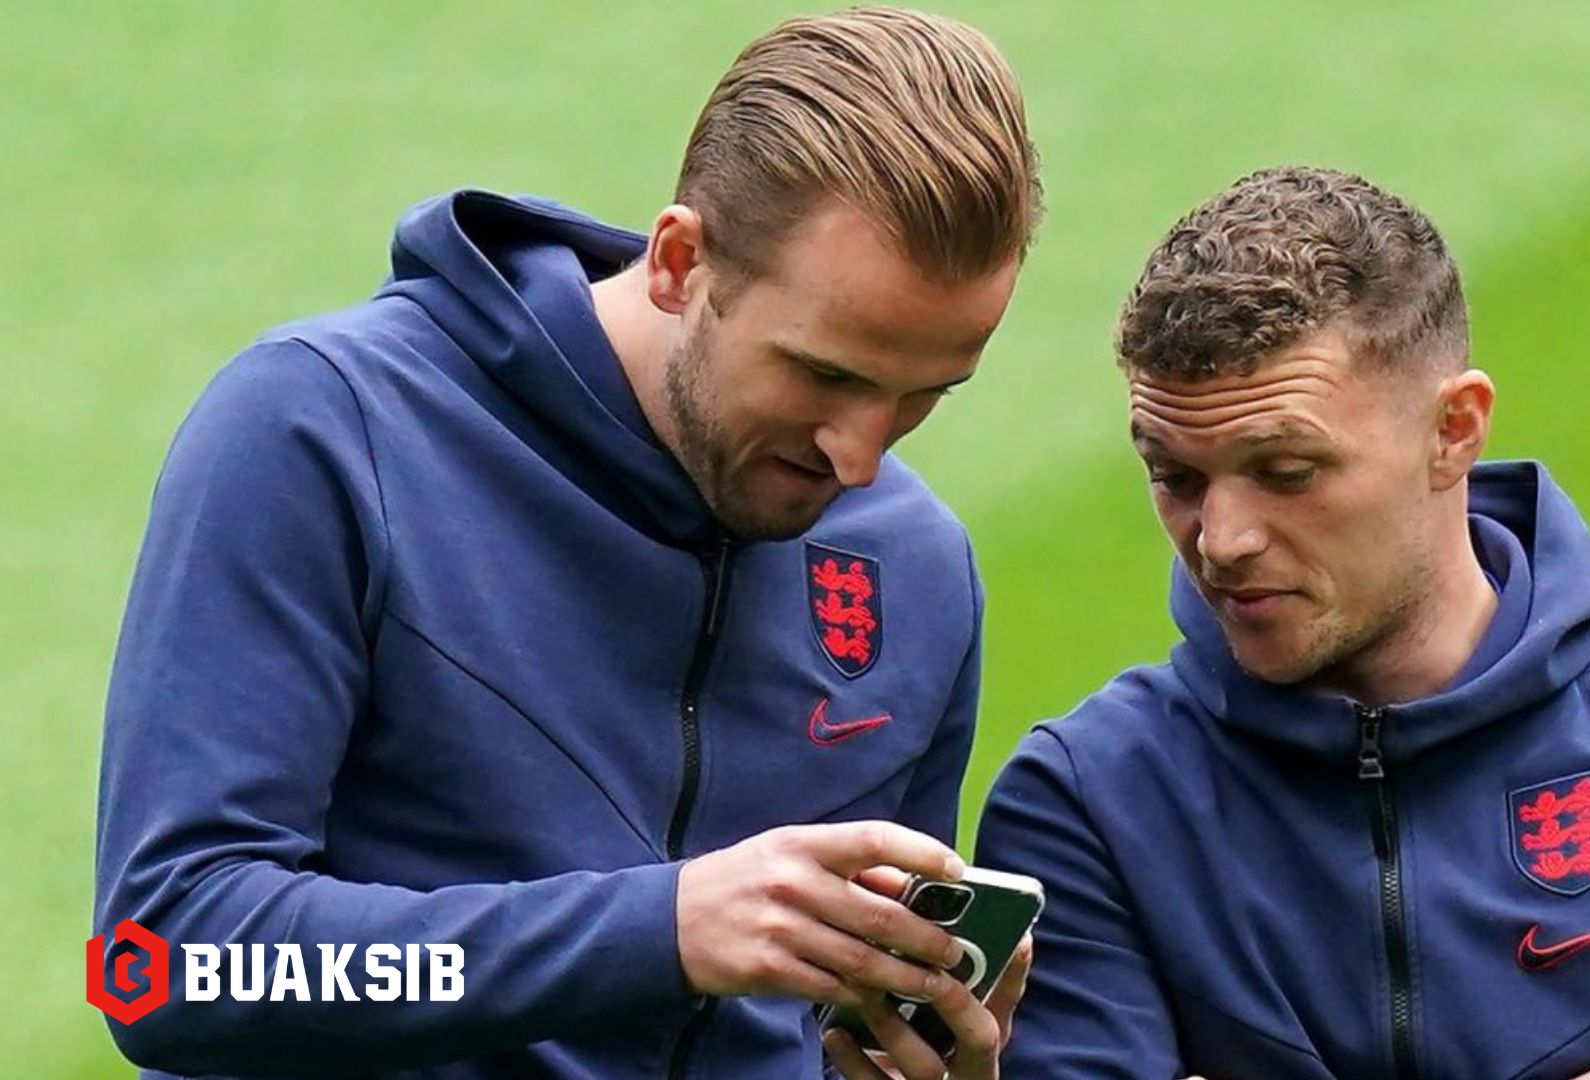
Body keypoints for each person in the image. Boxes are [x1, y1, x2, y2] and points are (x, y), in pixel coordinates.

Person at [94, 9, 1041, 1079]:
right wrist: (660, 931)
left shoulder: (912, 563)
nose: (860, 457)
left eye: (927, 394)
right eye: (824, 374)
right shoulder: (326, 431)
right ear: (680, 263)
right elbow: (161, 966)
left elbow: (836, 1032)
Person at [976, 166, 1590, 1079]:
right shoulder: (1085, 802)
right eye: (1176, 477)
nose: (1222, 539)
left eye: (1287, 472)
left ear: (1454, 431)